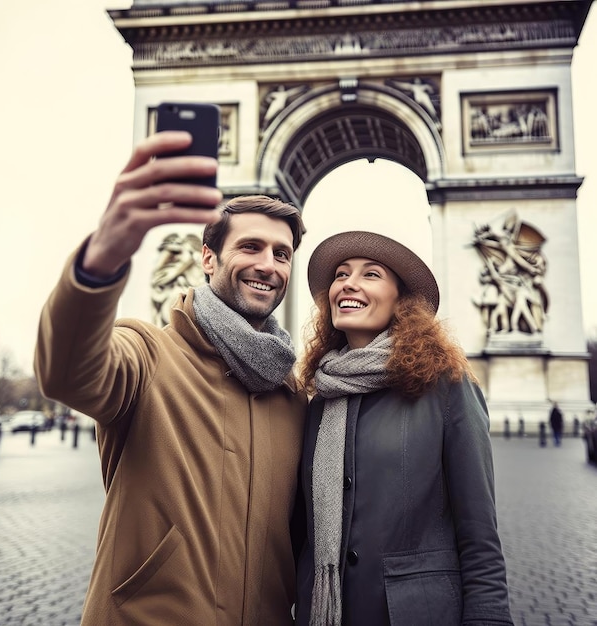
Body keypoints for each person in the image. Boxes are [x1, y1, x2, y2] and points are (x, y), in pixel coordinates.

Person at [34, 131, 308, 625]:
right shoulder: (148, 353)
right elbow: (67, 372)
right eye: (250, 247)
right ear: (207, 258)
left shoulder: (293, 395)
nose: (267, 265)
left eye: (282, 253)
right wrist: (102, 259)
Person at [294, 231, 514, 625]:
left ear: (402, 300)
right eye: (341, 274)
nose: (348, 283)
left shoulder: (447, 387)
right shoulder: (319, 400)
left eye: (371, 274)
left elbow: (479, 534)